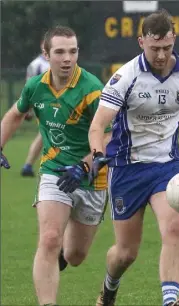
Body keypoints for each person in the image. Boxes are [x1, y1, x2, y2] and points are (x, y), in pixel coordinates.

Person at [88, 9, 179, 306]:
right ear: (141, 41)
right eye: (154, 48)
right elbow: (97, 125)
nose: (161, 55)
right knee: (126, 253)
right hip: (127, 169)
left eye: (167, 48)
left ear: (174, 40)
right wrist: (98, 155)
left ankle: (170, 300)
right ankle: (109, 289)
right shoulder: (124, 77)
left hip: (167, 166)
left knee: (174, 227)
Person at [1, 25, 111, 306]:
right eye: (60, 52)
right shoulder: (35, 86)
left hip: (92, 177)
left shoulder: (93, 89)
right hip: (54, 170)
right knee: (50, 238)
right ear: (45, 54)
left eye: (73, 51)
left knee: (75, 256)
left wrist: (86, 166)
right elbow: (15, 114)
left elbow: (112, 135)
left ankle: (63, 256)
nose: (67, 58)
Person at [21, 38, 50, 177]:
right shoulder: (38, 64)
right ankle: (28, 165)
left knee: (45, 134)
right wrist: (29, 108)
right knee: (45, 134)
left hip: (52, 103)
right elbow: (29, 87)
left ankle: (30, 165)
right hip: (46, 104)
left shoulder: (38, 63)